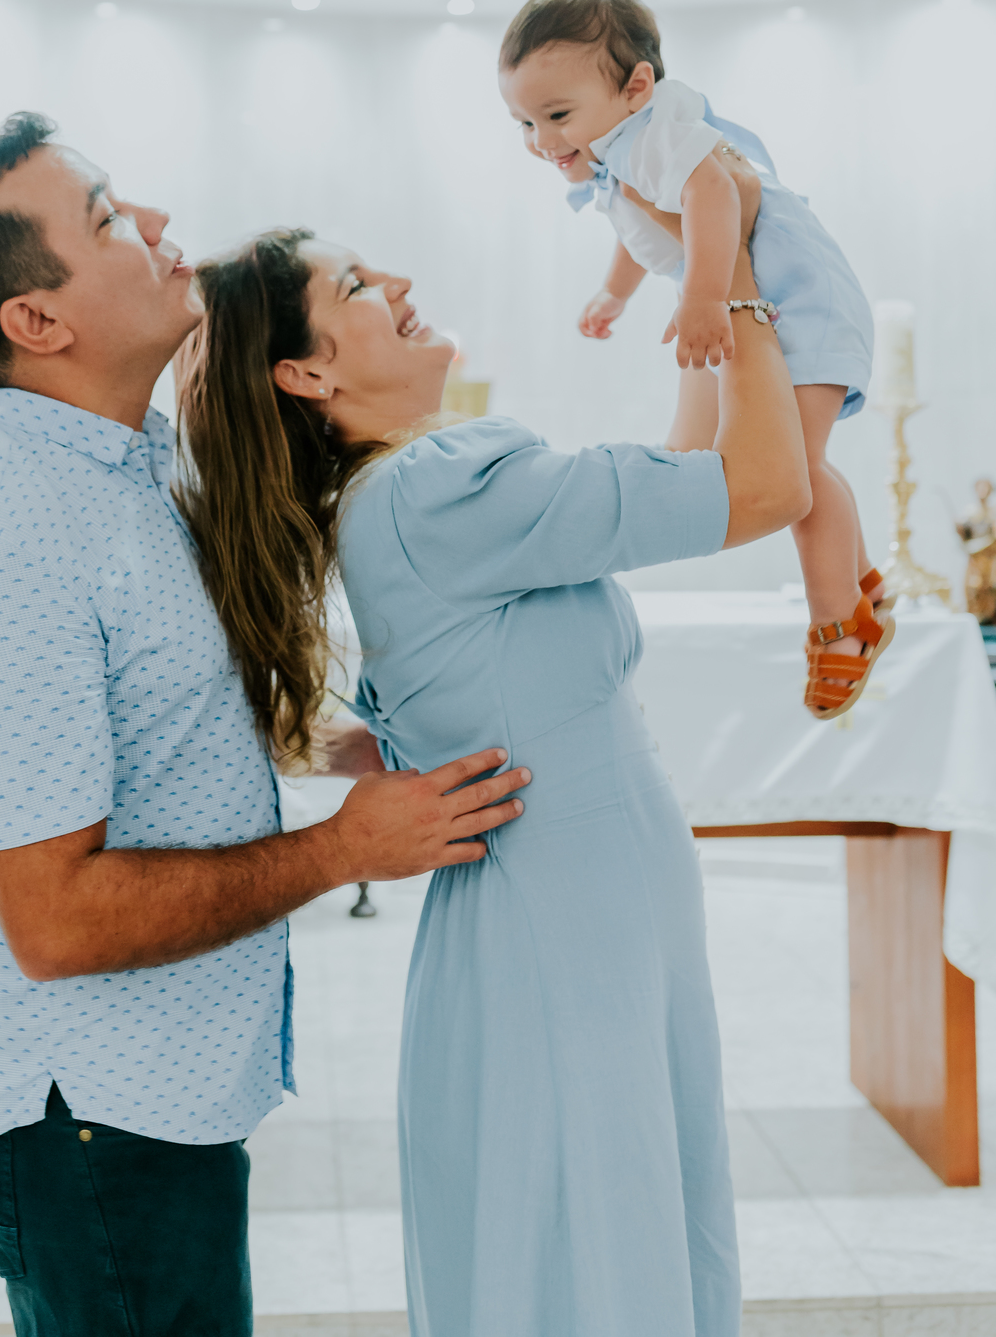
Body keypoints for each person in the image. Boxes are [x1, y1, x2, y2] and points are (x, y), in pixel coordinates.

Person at [0, 111, 528, 1337]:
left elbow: (154, 715)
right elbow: (57, 919)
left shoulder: (117, 466)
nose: (162, 226)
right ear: (38, 322)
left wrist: (350, 745)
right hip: (82, 1118)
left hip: (144, 1094)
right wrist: (344, 849)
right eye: (110, 219)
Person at [177, 193, 811, 1335]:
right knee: (602, 1236)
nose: (403, 286)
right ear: (308, 378)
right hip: (571, 912)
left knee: (603, 1223)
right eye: (360, 288)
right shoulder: (437, 488)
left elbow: (682, 477)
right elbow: (766, 487)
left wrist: (698, 309)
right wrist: (742, 276)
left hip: (576, 900)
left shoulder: (411, 497)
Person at [498, 0, 894, 719]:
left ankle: (841, 622)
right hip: (761, 295)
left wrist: (705, 294)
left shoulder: (657, 134)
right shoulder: (617, 146)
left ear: (637, 86)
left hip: (801, 298)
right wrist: (617, 291)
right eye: (523, 123)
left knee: (796, 471)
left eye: (556, 115)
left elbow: (713, 196)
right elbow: (641, 221)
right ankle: (860, 583)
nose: (544, 141)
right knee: (722, 458)